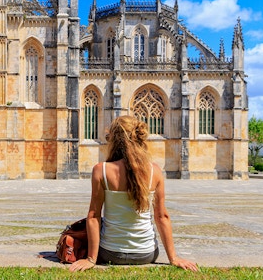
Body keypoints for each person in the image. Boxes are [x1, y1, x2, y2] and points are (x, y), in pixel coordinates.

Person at [70, 115, 198, 272]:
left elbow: (94, 216)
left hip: (111, 253)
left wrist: (91, 259)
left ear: (114, 140)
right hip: (146, 253)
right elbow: (162, 217)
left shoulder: (101, 170)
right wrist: (174, 258)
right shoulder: (155, 171)